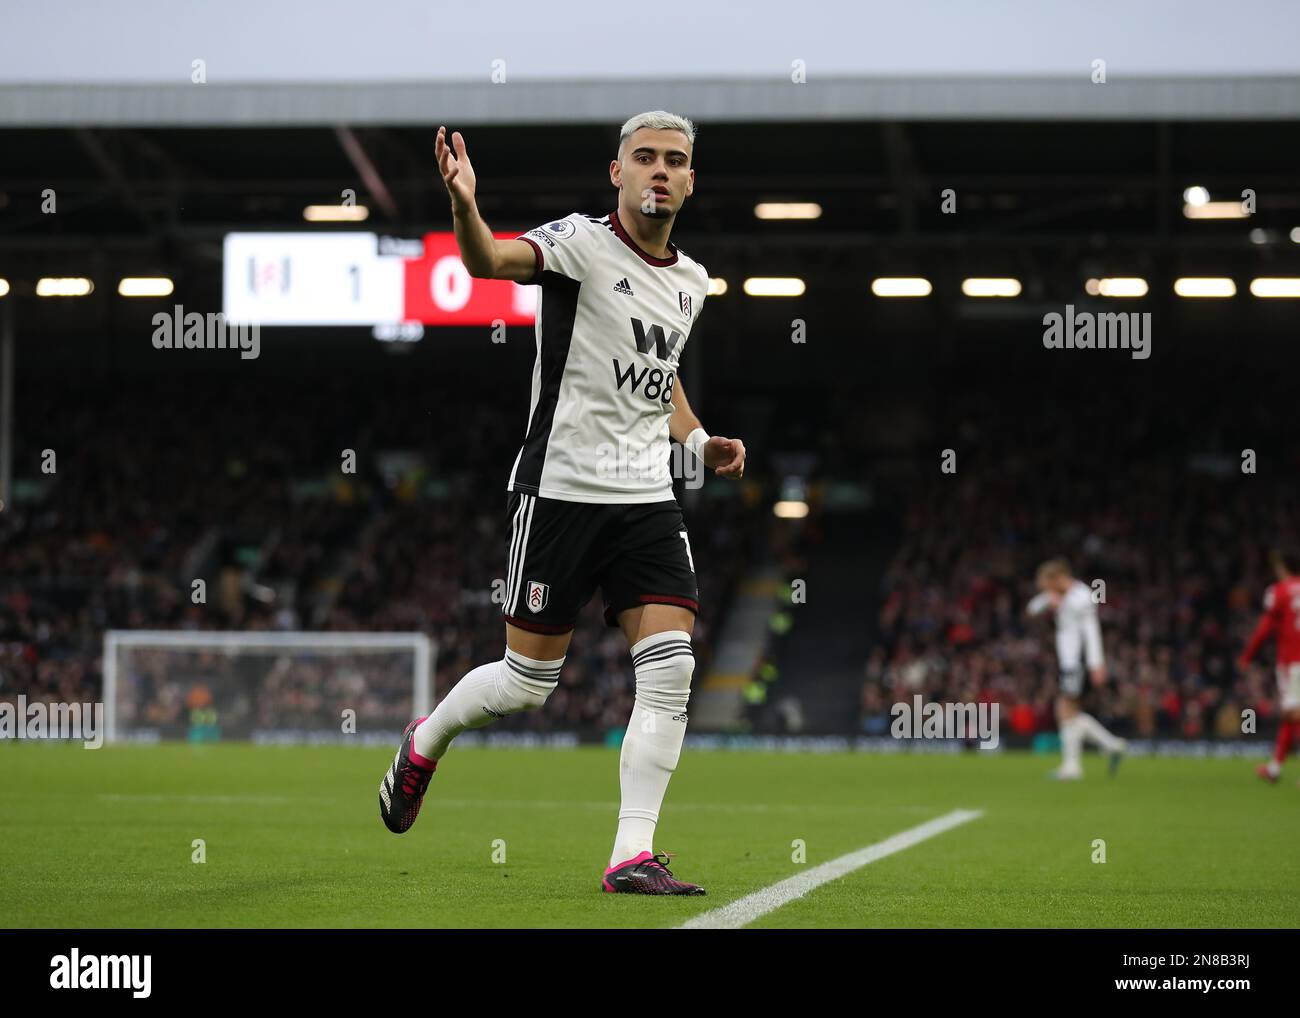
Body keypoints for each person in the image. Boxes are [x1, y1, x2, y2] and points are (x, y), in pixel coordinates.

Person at [378, 111, 747, 895]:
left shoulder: (691, 281)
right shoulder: (579, 243)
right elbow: (487, 261)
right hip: (562, 492)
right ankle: (426, 739)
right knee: (525, 684)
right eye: (642, 158)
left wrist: (699, 441)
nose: (658, 171)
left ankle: (630, 855)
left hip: (646, 494)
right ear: (617, 173)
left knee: (673, 665)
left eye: (673, 161)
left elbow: (662, 376)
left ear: (689, 180)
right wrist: (462, 206)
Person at [1026, 558, 1127, 780]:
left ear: (1058, 578)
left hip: (1078, 661)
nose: (1046, 590)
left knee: (1064, 709)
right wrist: (1049, 600)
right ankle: (1111, 745)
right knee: (1069, 712)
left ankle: (1074, 766)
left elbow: (1091, 631)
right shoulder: (1061, 594)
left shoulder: (1082, 596)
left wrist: (1096, 664)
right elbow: (1031, 609)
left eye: (1047, 585)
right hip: (1069, 661)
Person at [1238, 547, 1300, 783]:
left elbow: (1265, 628)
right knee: (1289, 716)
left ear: (1281, 567)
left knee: (1293, 713)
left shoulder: (1280, 592)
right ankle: (1275, 769)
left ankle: (1275, 768)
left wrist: (1247, 655)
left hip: (1292, 663)